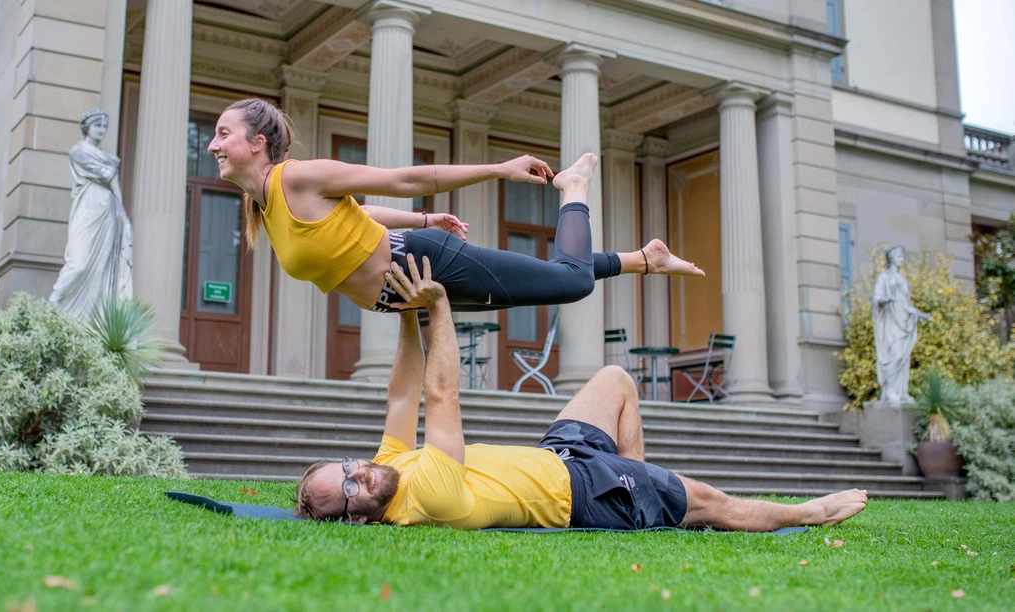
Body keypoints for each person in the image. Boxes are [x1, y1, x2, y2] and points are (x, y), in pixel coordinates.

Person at [291, 257, 869, 531]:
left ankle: (646, 493)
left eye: (347, 466)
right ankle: (811, 513)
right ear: (356, 518)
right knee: (711, 505)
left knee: (615, 380)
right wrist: (438, 305)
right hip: (581, 493)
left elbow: (402, 395)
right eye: (345, 489)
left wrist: (406, 315)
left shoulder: (386, 468)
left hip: (559, 456)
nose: (357, 474)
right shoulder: (426, 501)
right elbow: (441, 397)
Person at [207, 98, 704, 313]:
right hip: (408, 287)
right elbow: (357, 217)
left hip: (422, 264)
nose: (213, 146)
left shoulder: (298, 176)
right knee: (546, 275)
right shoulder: (266, 206)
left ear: (257, 142)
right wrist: (424, 217)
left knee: (570, 282)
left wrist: (497, 169)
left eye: (222, 134)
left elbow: (405, 177)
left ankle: (574, 187)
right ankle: (644, 260)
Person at [49, 109, 134, 321]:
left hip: (108, 210)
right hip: (88, 208)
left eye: (104, 126)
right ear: (87, 128)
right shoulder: (78, 152)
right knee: (79, 263)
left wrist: (123, 216)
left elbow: (114, 185)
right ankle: (52, 307)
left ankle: (90, 318)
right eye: (97, 125)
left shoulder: (109, 158)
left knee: (103, 268)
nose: (101, 130)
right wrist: (110, 171)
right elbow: (106, 174)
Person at [872, 246, 931, 402]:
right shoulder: (883, 277)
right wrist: (886, 299)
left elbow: (907, 304)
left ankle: (901, 392)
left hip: (904, 321)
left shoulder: (902, 279)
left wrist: (920, 315)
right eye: (899, 255)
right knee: (895, 354)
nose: (902, 258)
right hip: (890, 321)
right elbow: (876, 297)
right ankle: (890, 390)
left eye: (903, 255)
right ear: (891, 257)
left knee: (904, 357)